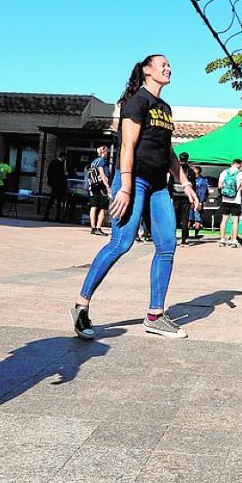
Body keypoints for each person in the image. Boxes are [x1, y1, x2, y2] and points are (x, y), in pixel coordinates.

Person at [71, 55, 200, 340]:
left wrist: (185, 182)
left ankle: (155, 315)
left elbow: (167, 152)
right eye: (162, 64)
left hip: (158, 186)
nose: (168, 67)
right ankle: (81, 306)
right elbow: (127, 145)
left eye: (170, 64)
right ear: (146, 71)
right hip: (133, 180)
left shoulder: (165, 108)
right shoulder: (136, 102)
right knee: (121, 243)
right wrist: (126, 187)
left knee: (167, 245)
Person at [217, 158, 242, 247]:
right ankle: (234, 240)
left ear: (232, 163)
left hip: (225, 199)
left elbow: (219, 186)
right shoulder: (241, 174)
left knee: (224, 219)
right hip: (236, 200)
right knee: (235, 221)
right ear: (238, 164)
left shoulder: (224, 172)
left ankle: (222, 239)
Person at [87, 145, 112, 235]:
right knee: (104, 208)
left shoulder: (94, 161)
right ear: (103, 152)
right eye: (106, 152)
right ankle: (98, 227)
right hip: (101, 187)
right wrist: (108, 187)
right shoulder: (101, 161)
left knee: (93, 207)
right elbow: (102, 174)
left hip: (93, 187)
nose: (107, 154)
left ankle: (93, 228)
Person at [173, 152, 198, 244]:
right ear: (187, 159)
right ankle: (184, 239)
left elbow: (170, 183)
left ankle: (173, 238)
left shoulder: (175, 168)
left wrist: (170, 195)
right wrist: (194, 197)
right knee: (185, 218)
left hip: (175, 196)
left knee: (174, 218)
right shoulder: (190, 171)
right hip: (186, 197)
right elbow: (193, 185)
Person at [42, 152, 67, 222]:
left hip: (55, 185)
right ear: (63, 157)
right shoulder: (58, 163)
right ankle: (57, 217)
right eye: (65, 158)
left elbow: (49, 173)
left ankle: (47, 216)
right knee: (57, 201)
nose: (65, 159)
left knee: (52, 200)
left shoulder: (53, 162)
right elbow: (59, 175)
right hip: (58, 185)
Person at [190, 165, 209, 241]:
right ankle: (186, 235)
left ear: (198, 172)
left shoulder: (202, 181)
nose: (193, 174)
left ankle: (196, 234)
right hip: (190, 201)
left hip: (197, 202)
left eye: (194, 172)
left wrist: (200, 202)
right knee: (188, 218)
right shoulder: (190, 179)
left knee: (197, 218)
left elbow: (203, 192)